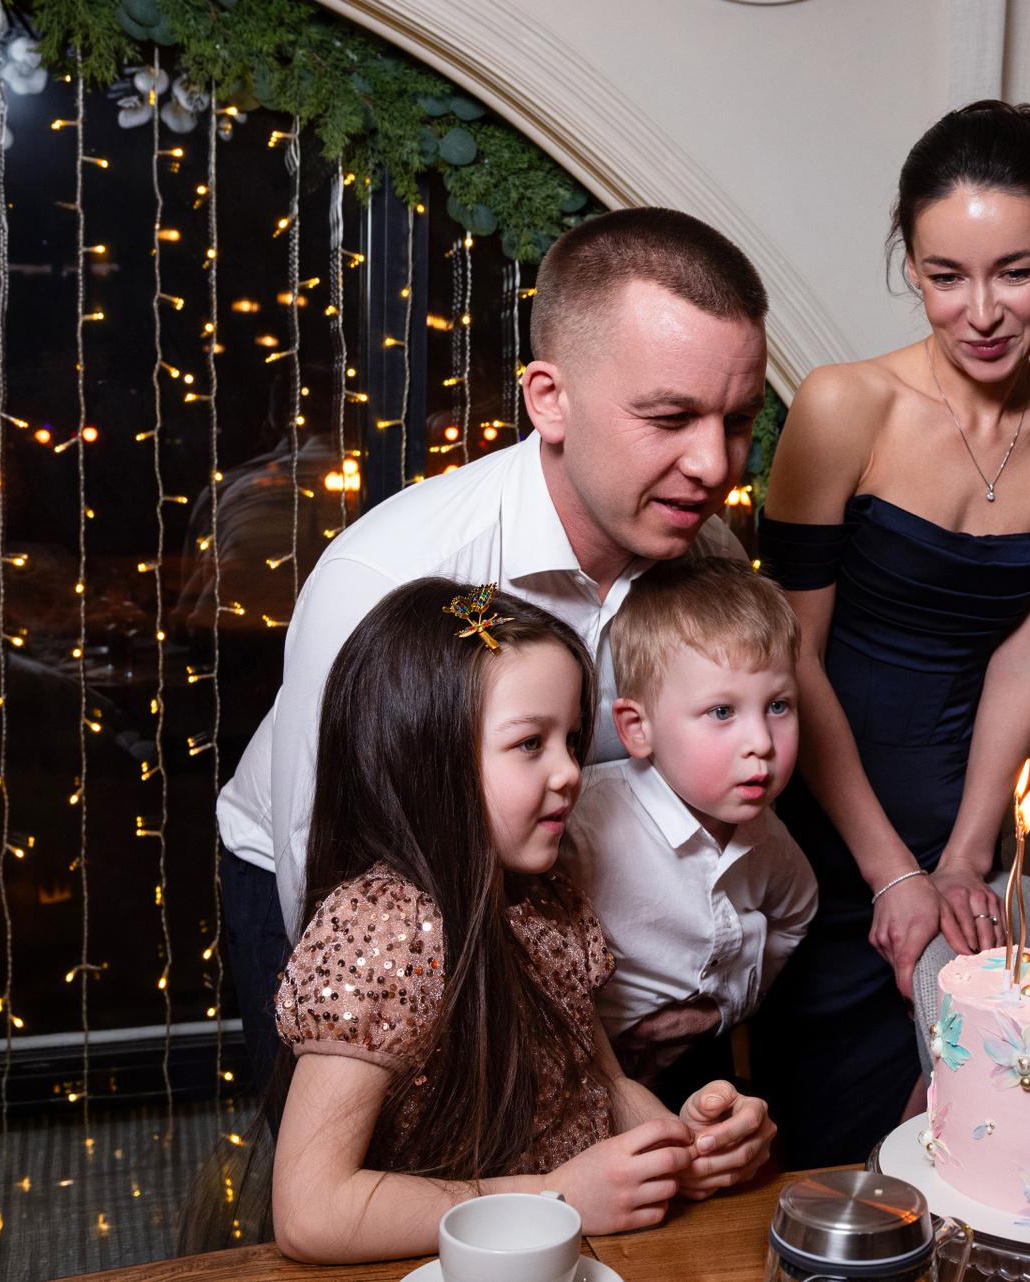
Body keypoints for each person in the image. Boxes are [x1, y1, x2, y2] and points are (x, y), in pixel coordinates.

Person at [215, 208, 768, 1095]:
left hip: (573, 906)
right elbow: (330, 882)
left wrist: (705, 1000)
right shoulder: (385, 578)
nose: (715, 464)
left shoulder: (714, 564)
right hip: (359, 907)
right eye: (671, 417)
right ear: (549, 399)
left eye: (738, 421)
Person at [750, 100, 1030, 1166]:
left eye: (1016, 272)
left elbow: (1029, 646)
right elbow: (790, 655)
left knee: (970, 1135)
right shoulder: (844, 406)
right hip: (822, 820)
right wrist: (891, 873)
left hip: (964, 814)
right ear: (911, 267)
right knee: (824, 1148)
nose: (982, 312)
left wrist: (966, 856)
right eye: (945, 276)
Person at [270, 579, 775, 1262]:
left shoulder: (546, 899)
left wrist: (683, 1148)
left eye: (572, 738)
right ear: (428, 757)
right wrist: (553, 1199)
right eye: (531, 743)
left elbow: (605, 1086)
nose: (570, 772)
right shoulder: (386, 927)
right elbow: (311, 1212)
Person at [562, 558, 817, 1110]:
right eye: (722, 711)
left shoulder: (770, 840)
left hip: (699, 1056)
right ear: (638, 729)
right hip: (577, 1073)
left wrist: (722, 1009)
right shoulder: (584, 829)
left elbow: (796, 914)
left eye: (778, 706)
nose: (761, 742)